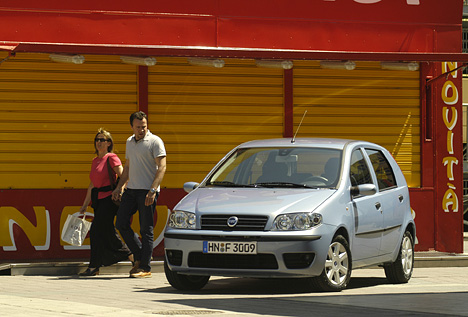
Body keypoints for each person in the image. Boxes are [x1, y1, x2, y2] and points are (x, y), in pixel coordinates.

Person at [113, 111, 167, 278]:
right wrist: (119, 187)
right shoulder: (129, 142)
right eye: (138, 127)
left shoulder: (155, 141)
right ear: (132, 127)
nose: (141, 130)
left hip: (147, 190)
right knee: (121, 222)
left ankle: (145, 266)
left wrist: (153, 190)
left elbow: (162, 167)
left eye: (144, 126)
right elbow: (127, 167)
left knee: (146, 229)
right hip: (132, 190)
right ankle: (139, 254)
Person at [78, 128, 133, 277]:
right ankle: (133, 256)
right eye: (97, 140)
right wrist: (84, 205)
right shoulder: (95, 161)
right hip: (98, 200)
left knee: (95, 231)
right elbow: (92, 185)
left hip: (110, 199)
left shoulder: (112, 157)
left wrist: (119, 190)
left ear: (109, 143)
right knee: (108, 232)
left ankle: (93, 267)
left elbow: (124, 175)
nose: (99, 142)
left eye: (102, 140)